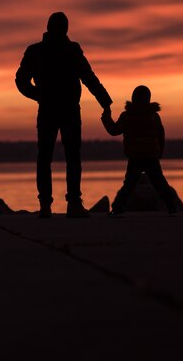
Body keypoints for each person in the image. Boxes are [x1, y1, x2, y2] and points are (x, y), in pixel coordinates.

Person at [16, 12, 112, 218]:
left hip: (64, 109)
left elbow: (88, 77)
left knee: (63, 157)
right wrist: (38, 95)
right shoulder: (42, 51)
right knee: (54, 157)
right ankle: (54, 204)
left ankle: (67, 203)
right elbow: (21, 80)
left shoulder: (69, 50)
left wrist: (105, 101)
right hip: (54, 109)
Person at [101, 85, 177, 215]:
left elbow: (114, 130)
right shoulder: (154, 116)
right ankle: (172, 206)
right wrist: (159, 153)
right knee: (160, 183)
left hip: (135, 156)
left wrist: (106, 116)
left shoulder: (127, 116)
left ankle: (118, 207)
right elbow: (161, 135)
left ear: (133, 98)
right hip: (151, 156)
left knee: (129, 184)